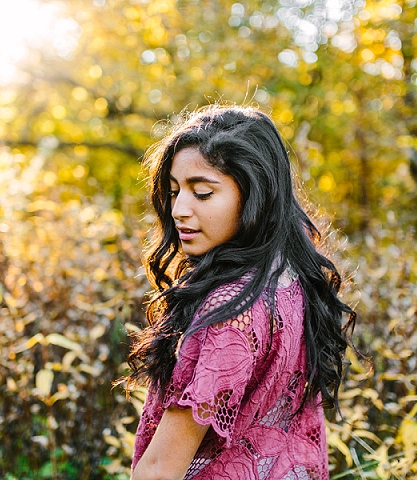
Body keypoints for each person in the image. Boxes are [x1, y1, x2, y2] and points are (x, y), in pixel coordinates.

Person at [123, 105, 356, 480]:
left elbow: (160, 469)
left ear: (254, 194)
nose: (179, 209)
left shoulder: (232, 308)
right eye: (173, 190)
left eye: (202, 193)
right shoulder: (292, 277)